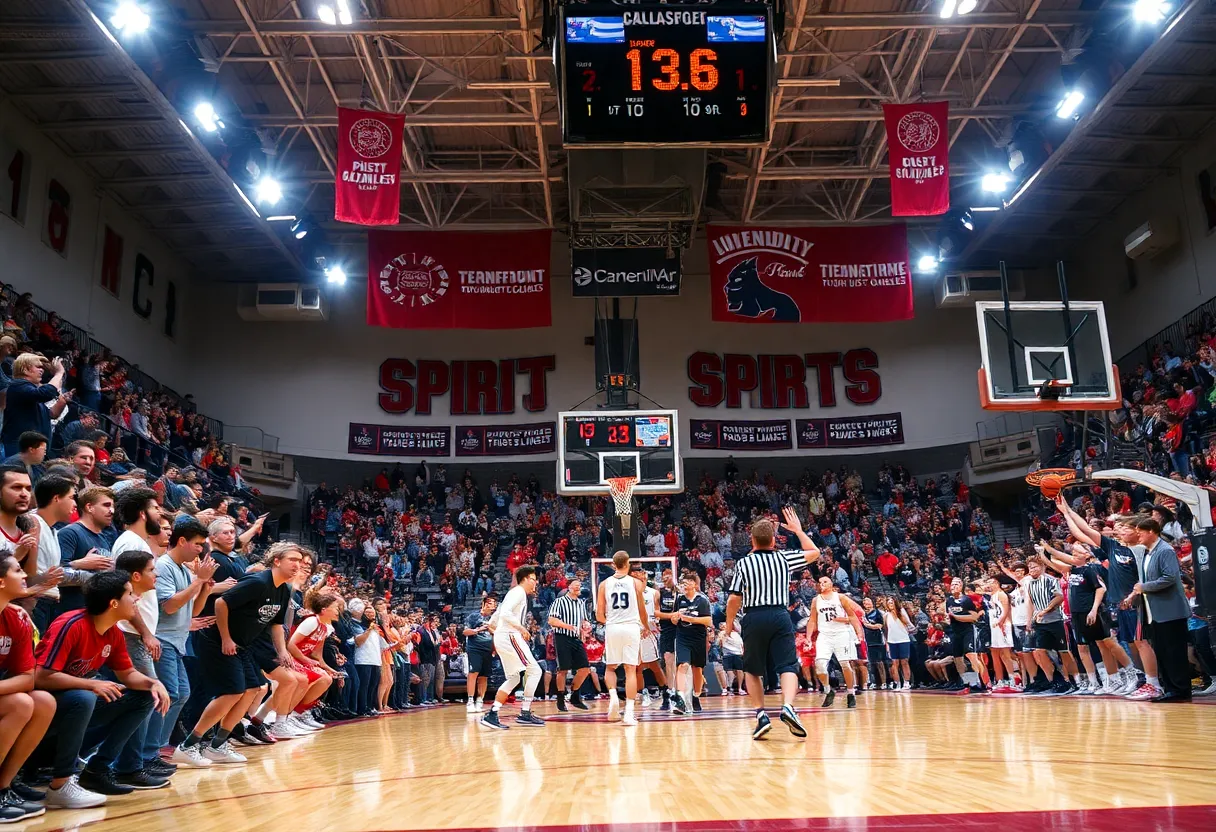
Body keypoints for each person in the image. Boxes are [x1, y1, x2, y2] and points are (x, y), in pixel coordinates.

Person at [34, 571, 171, 807]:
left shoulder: (113, 633)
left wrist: (153, 683)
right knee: (84, 697)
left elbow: (127, 674)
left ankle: (97, 770)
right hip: (46, 708)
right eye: (130, 594)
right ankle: (61, 783)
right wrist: (91, 684)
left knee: (144, 697)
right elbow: (41, 676)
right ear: (114, 603)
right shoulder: (71, 624)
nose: (136, 599)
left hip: (77, 705)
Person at [174, 542, 303, 766]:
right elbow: (222, 603)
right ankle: (188, 745)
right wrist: (226, 637)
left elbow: (275, 624)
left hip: (243, 645)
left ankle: (217, 745)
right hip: (216, 640)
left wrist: (282, 651)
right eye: (292, 559)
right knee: (232, 691)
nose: (297, 565)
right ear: (276, 561)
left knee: (253, 689)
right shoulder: (258, 581)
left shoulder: (284, 590)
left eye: (300, 562)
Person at [721, 507, 819, 740]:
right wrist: (798, 530)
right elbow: (814, 552)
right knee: (787, 666)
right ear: (774, 540)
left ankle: (761, 715)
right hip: (780, 615)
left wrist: (728, 625)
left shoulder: (744, 564)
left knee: (753, 670)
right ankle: (787, 706)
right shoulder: (783, 558)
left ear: (752, 540)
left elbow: (734, 598)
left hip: (754, 617)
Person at [146, 518, 214, 776]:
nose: (200, 550)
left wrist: (204, 588)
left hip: (177, 641)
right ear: (182, 540)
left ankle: (156, 749)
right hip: (162, 639)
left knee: (180, 694)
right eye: (197, 544)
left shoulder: (185, 571)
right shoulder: (163, 566)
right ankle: (147, 752)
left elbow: (191, 610)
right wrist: (198, 582)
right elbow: (169, 606)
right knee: (169, 696)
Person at [0, 554, 56, 822]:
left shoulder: (16, 616)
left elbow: (27, 678)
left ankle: (4, 786)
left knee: (43, 701)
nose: (26, 576)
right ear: (0, 581)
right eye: (18, 570)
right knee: (20, 703)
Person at [1129, 516, 1192, 702]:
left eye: (1140, 532)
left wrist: (1144, 587)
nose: (1138, 535)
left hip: (1171, 611)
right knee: (1163, 652)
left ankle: (1180, 690)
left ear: (1151, 532)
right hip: (1155, 612)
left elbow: (1170, 578)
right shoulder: (1148, 552)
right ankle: (1169, 688)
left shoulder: (1165, 550)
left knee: (1174, 652)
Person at [480, 565, 545, 730]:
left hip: (505, 636)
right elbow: (505, 613)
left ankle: (493, 713)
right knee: (535, 671)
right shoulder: (518, 592)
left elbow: (496, 617)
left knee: (515, 677)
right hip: (510, 636)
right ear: (524, 579)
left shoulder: (516, 593)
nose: (535, 582)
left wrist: (496, 632)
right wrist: (521, 628)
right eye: (533, 579)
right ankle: (525, 713)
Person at [596, 551, 649, 726]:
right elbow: (642, 609)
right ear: (627, 564)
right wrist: (646, 626)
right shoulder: (636, 583)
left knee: (610, 668)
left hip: (612, 627)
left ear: (613, 564)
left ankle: (613, 698)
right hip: (631, 627)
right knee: (630, 670)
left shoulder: (604, 584)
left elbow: (599, 615)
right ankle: (629, 713)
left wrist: (611, 622)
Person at [808, 575, 864, 708]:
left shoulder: (840, 597)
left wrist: (859, 633)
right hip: (825, 635)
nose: (822, 583)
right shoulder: (816, 600)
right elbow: (812, 620)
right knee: (820, 665)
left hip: (841, 634)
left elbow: (852, 616)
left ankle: (851, 693)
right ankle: (828, 690)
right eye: (820, 582)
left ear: (831, 584)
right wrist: (808, 638)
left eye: (825, 581)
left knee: (845, 664)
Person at [547, 579, 591, 713]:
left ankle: (575, 695)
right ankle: (560, 697)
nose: (578, 587)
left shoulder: (581, 603)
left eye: (580, 585)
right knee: (563, 670)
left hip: (576, 638)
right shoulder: (559, 601)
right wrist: (569, 626)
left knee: (585, 669)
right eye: (576, 585)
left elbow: (584, 620)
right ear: (569, 587)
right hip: (562, 637)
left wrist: (585, 626)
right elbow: (552, 620)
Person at [671, 572, 711, 715]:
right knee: (683, 665)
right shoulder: (679, 599)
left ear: (694, 584)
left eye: (688, 582)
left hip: (698, 637)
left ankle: (696, 695)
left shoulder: (702, 600)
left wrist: (689, 619)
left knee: (697, 670)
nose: (685, 585)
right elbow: (674, 619)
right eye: (683, 583)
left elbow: (708, 621)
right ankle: (680, 698)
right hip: (683, 637)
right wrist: (674, 619)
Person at [630, 564, 669, 708]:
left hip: (648, 632)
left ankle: (665, 692)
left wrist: (652, 625)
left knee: (654, 665)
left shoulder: (653, 593)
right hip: (634, 631)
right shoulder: (628, 592)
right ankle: (642, 693)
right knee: (637, 667)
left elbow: (657, 612)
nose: (639, 574)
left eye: (640, 571)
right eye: (635, 571)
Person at [945, 577, 988, 693]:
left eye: (957, 584)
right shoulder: (948, 601)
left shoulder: (967, 600)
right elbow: (949, 617)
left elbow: (974, 617)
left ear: (961, 586)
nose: (954, 586)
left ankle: (982, 681)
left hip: (968, 631)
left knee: (971, 655)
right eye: (952, 584)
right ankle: (968, 683)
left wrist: (956, 617)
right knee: (958, 659)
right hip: (955, 632)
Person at [463, 596, 497, 713]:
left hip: (488, 650)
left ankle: (480, 701)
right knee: (473, 673)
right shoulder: (473, 616)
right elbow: (465, 632)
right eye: (491, 604)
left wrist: (494, 648)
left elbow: (496, 634)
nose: (493, 606)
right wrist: (478, 630)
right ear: (485, 604)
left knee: (484, 676)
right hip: (474, 649)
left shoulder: (494, 618)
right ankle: (470, 701)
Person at [655, 567, 679, 710]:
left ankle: (682, 692)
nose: (667, 577)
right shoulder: (659, 592)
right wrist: (671, 616)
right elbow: (656, 612)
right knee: (668, 660)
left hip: (680, 628)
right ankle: (669, 692)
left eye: (669, 575)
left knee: (680, 663)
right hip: (667, 629)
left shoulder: (680, 591)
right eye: (664, 575)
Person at [881, 596, 913, 690]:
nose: (890, 604)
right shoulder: (886, 615)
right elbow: (886, 630)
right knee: (894, 662)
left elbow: (908, 624)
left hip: (903, 639)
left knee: (904, 661)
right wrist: (886, 642)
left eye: (892, 602)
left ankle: (906, 683)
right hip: (892, 641)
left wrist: (897, 613)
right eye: (888, 602)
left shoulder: (901, 612)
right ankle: (897, 683)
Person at [861, 597, 889, 690]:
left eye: (868, 601)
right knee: (872, 663)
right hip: (867, 640)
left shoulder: (877, 613)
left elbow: (879, 625)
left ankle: (884, 682)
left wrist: (868, 625)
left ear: (872, 602)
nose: (866, 603)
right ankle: (875, 682)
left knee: (880, 662)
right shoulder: (863, 614)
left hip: (877, 640)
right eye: (864, 602)